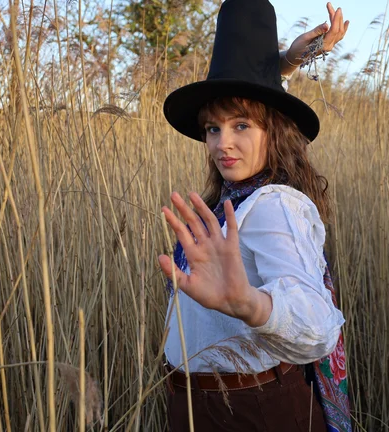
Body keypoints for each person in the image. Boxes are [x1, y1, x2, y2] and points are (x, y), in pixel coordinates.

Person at [157, 1, 351, 431]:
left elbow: (317, 327)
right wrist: (282, 63)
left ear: (274, 131)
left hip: (253, 411)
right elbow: (251, 98)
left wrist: (250, 304)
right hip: (200, 407)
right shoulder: (235, 199)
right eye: (212, 128)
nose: (222, 143)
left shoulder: (275, 205)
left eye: (241, 126)